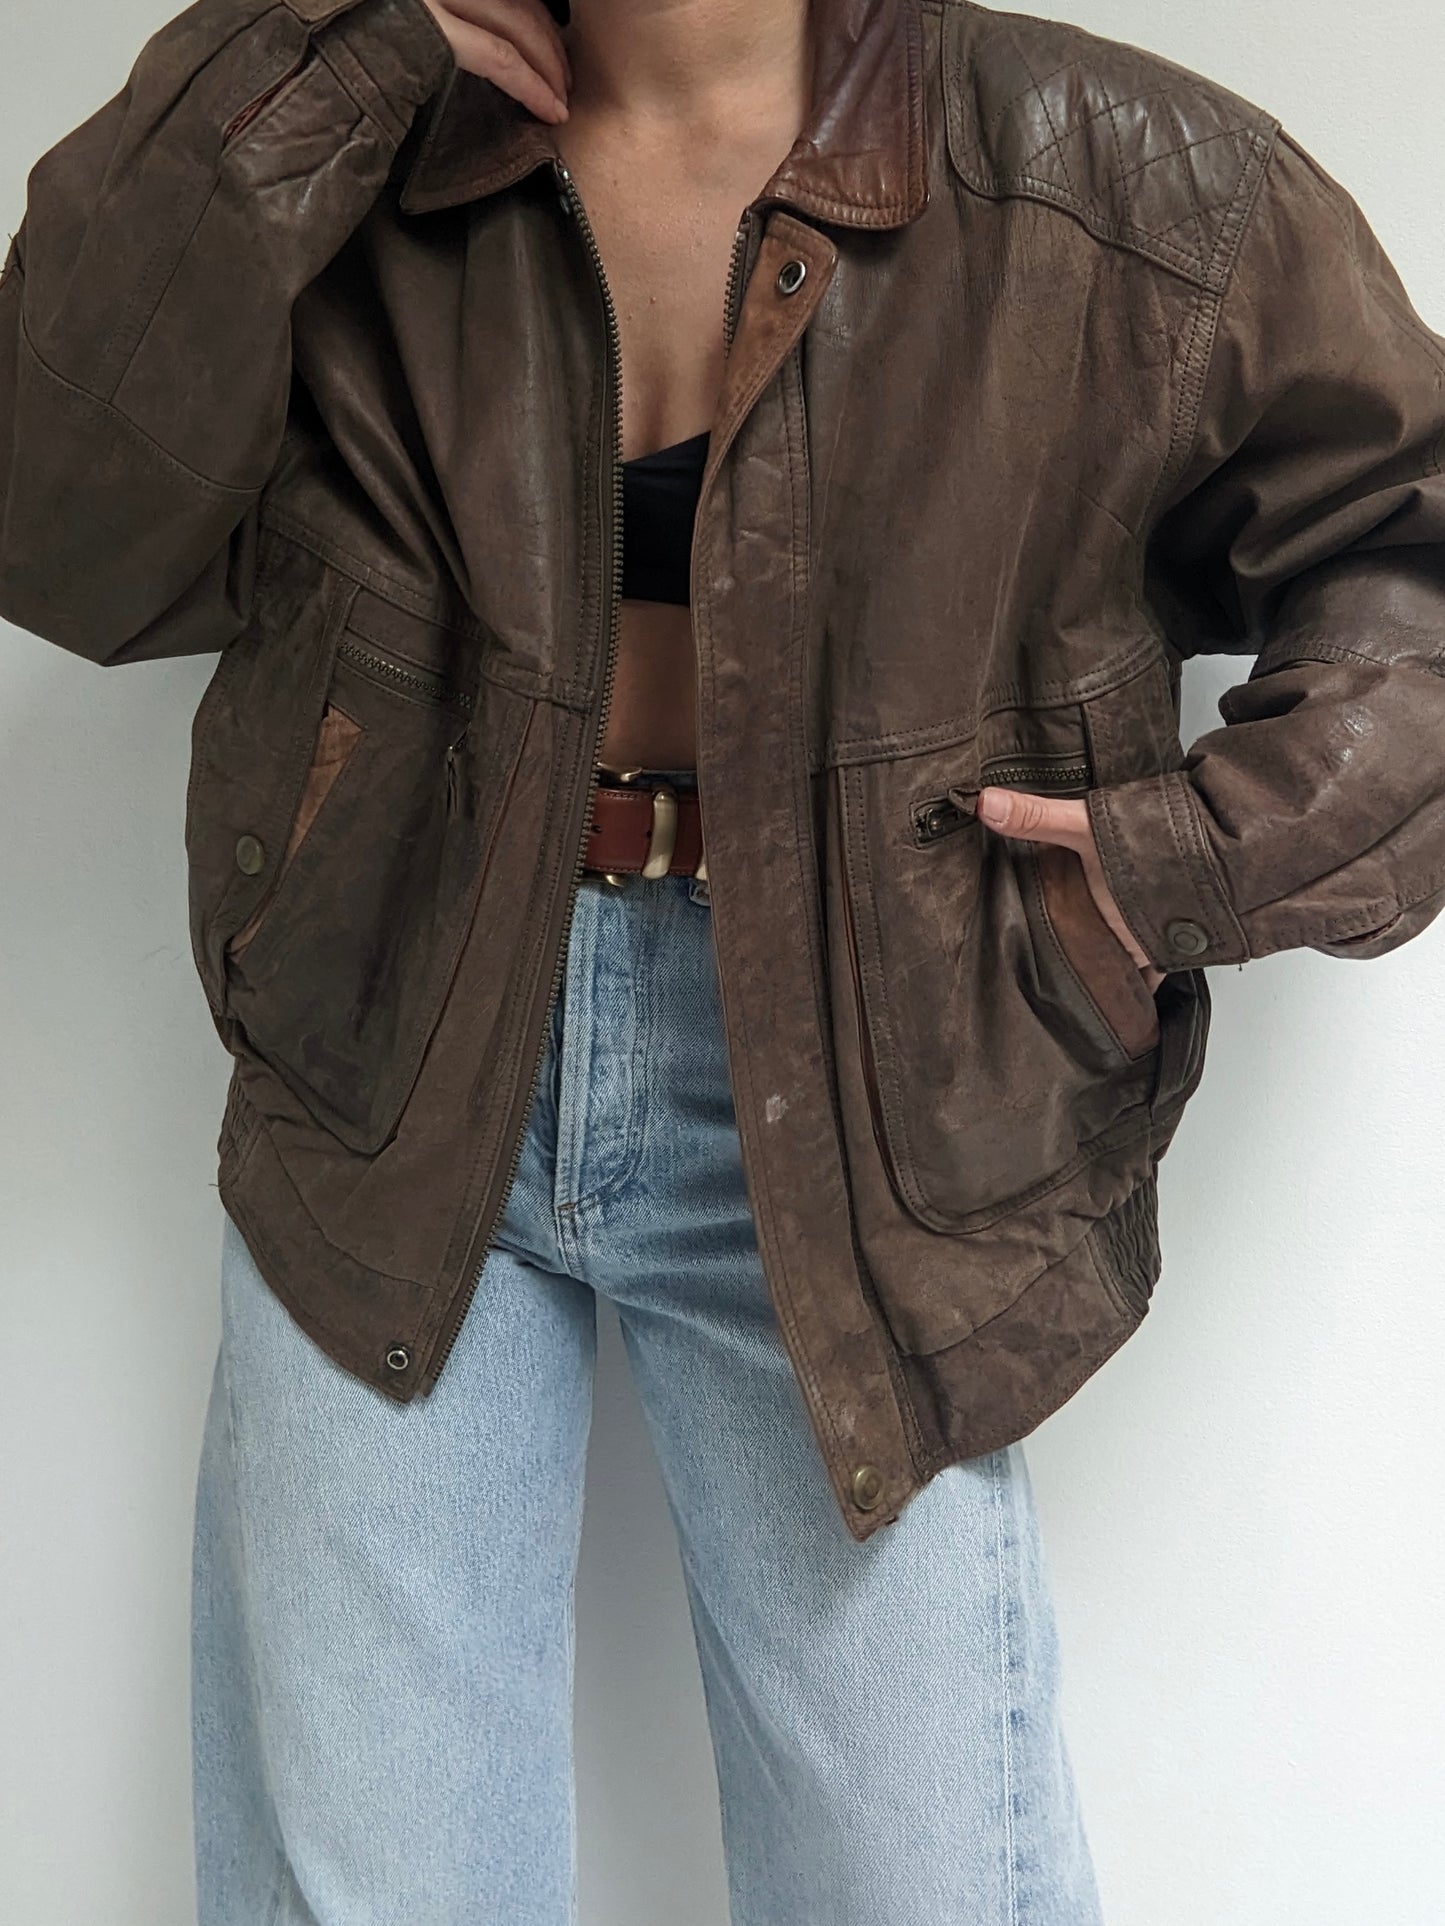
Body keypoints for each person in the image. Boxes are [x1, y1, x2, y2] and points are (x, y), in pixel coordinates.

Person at [4, 0, 1444, 1918]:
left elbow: (1411, 560)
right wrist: (326, 44)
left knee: (916, 1877)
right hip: (394, 1042)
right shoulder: (357, 138)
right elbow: (53, 521)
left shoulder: (1113, 181)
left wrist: (1172, 865)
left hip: (874, 1090)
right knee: (371, 1880)